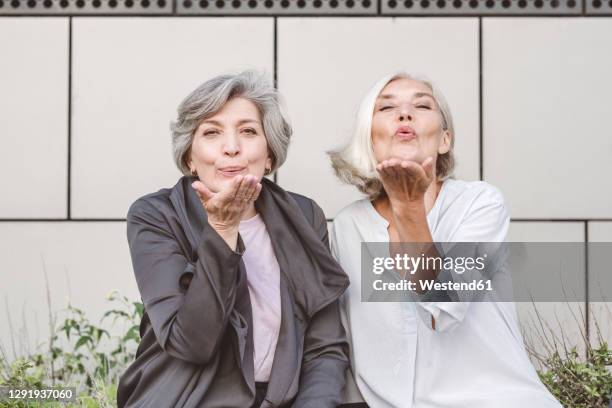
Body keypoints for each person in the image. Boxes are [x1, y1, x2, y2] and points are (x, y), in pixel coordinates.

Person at [117, 70, 349, 408]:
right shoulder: (156, 215)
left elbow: (324, 346)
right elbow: (191, 344)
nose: (231, 148)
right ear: (189, 158)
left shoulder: (304, 215)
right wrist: (223, 230)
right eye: (211, 133)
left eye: (248, 131)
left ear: (269, 154)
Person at [328, 72, 561, 408]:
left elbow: (445, 306)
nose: (404, 114)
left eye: (422, 105)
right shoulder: (347, 226)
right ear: (369, 138)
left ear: (444, 140)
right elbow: (345, 345)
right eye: (387, 107)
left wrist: (408, 207)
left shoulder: (480, 204)